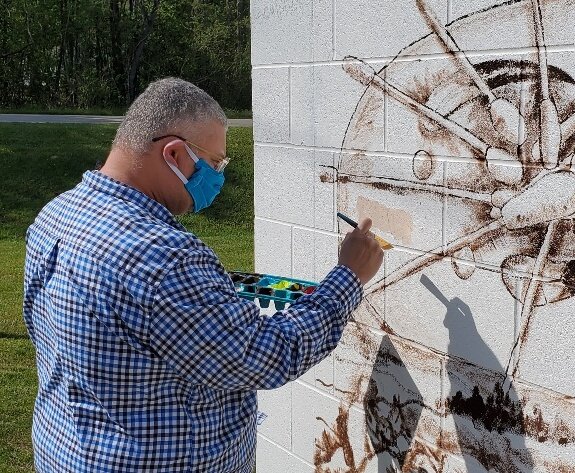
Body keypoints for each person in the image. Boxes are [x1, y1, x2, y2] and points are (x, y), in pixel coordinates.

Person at [22, 77, 384, 472]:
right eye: (214, 163)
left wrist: (210, 295)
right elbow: (268, 355)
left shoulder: (57, 215)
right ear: (175, 154)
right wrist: (349, 275)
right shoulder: (163, 258)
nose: (217, 177)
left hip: (69, 453)